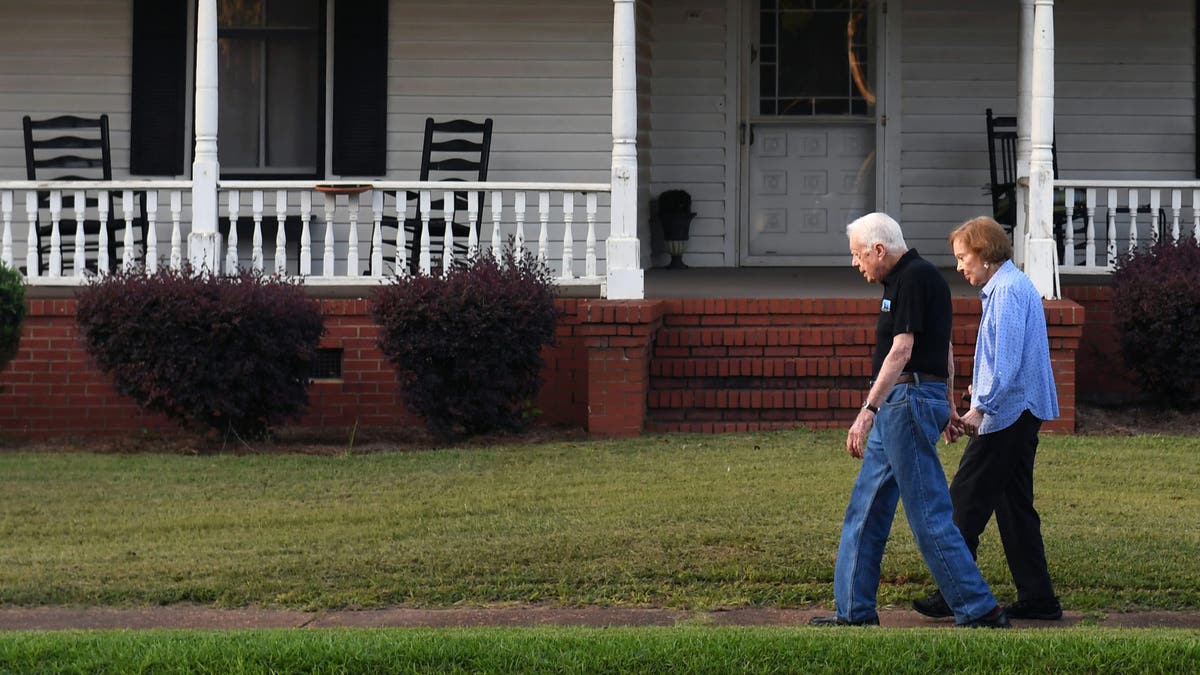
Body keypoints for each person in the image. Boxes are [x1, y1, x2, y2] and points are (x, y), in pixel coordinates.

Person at [810, 212, 1010, 628]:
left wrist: (867, 412)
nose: (855, 263)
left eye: (858, 254)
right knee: (865, 510)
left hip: (906, 402)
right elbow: (948, 347)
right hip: (908, 401)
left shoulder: (915, 278)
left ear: (879, 250)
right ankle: (853, 611)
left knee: (928, 513)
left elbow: (902, 351)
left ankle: (979, 609)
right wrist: (950, 403)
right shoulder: (906, 281)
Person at [911, 215, 1062, 621]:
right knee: (1014, 506)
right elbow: (1003, 360)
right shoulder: (1007, 287)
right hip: (1017, 411)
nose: (960, 266)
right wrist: (976, 399)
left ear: (984, 254)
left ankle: (953, 590)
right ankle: (1038, 599)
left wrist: (981, 409)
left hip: (1008, 413)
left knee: (964, 499)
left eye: (963, 257)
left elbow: (1008, 362)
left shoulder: (1008, 292)